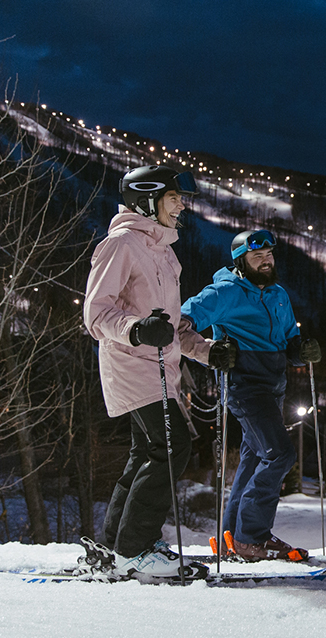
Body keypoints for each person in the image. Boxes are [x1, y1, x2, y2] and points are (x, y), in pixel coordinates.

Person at [84, 165, 234, 578]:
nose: (181, 205)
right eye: (173, 197)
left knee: (147, 452)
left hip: (161, 368)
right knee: (172, 447)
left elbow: (171, 328)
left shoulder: (165, 253)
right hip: (132, 366)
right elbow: (96, 315)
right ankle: (135, 550)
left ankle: (115, 548)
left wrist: (207, 352)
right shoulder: (121, 245)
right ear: (147, 200)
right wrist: (136, 330)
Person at [181, 228, 321, 561]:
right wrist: (210, 351)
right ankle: (250, 537)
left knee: (255, 457)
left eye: (269, 256)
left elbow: (288, 340)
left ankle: (230, 538)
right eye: (257, 257)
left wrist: (302, 350)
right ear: (241, 261)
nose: (265, 262)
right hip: (244, 385)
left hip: (274, 385)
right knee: (279, 454)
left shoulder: (278, 294)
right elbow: (179, 321)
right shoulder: (225, 292)